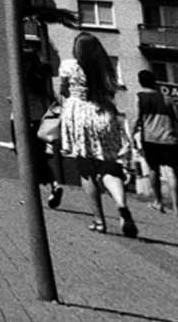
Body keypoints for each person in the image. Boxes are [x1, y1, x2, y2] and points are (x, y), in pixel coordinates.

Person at [60, 32, 137, 237]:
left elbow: (64, 91)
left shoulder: (69, 66)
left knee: (87, 171)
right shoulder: (105, 68)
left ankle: (99, 220)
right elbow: (111, 92)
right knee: (109, 167)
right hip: (103, 115)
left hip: (79, 117)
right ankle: (121, 205)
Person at [132, 69, 178, 215]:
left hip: (150, 138)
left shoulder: (140, 97)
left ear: (140, 82)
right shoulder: (167, 98)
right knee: (170, 171)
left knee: (153, 169)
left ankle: (158, 202)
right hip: (168, 138)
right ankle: (176, 207)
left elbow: (137, 118)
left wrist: (132, 134)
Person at [23, 50, 64, 208]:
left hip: (25, 119)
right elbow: (49, 96)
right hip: (40, 119)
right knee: (40, 157)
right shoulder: (41, 75)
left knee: (26, 157)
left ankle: (31, 195)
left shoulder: (23, 77)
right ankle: (54, 185)